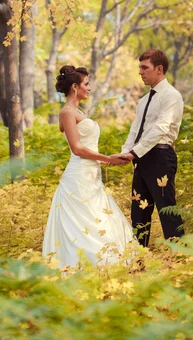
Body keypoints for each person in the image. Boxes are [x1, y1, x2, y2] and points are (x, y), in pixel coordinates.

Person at [42, 65, 135, 269]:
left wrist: (109, 160)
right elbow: (76, 148)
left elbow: (76, 139)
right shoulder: (67, 112)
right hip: (78, 177)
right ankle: (87, 268)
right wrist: (107, 158)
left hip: (91, 175)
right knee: (85, 225)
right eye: (86, 84)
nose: (89, 88)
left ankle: (108, 269)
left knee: (100, 220)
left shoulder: (74, 111)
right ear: (75, 87)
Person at [112, 49, 184, 247]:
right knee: (139, 210)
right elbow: (135, 130)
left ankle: (180, 254)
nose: (140, 72)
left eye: (145, 68)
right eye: (139, 68)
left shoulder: (172, 96)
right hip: (141, 158)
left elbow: (161, 128)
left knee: (166, 208)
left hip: (161, 156)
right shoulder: (144, 100)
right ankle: (139, 256)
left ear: (159, 69)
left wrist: (134, 152)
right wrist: (126, 152)